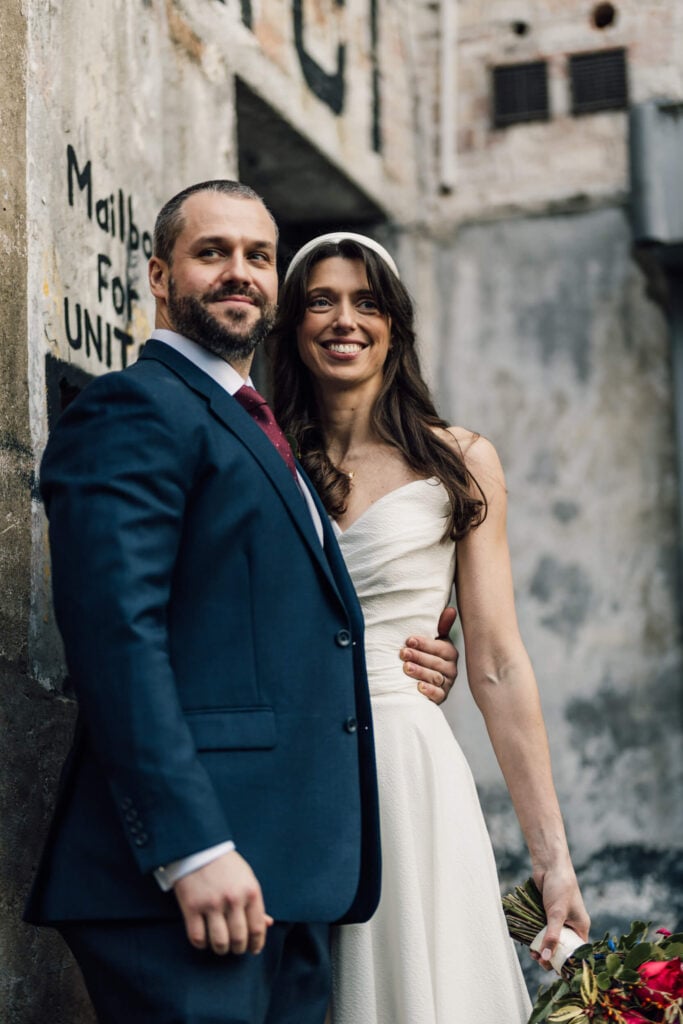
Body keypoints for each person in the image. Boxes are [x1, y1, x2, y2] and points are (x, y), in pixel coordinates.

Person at [24, 184, 460, 1024]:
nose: (240, 272)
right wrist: (189, 846)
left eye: (258, 256)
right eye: (212, 252)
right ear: (159, 276)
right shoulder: (133, 406)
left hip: (290, 878)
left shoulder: (260, 431)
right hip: (188, 880)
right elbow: (116, 637)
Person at [269, 232, 591, 1024]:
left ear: (394, 324)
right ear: (293, 324)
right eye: (321, 301)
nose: (344, 321)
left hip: (407, 765)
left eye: (366, 302)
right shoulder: (262, 460)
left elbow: (497, 662)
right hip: (288, 768)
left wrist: (552, 860)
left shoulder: (461, 460)